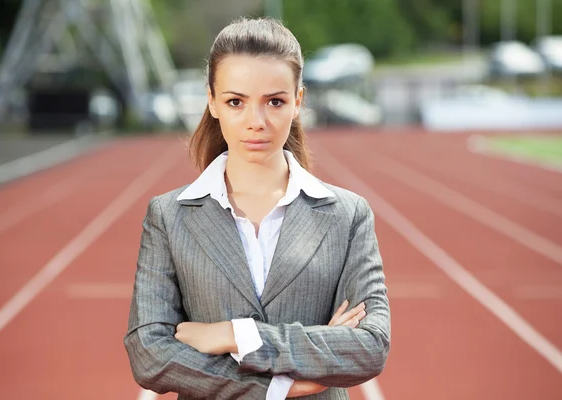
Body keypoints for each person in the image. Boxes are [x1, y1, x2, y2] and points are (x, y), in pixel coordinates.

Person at [124, 16, 390, 399]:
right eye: (236, 102)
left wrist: (237, 335)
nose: (256, 122)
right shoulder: (168, 216)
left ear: (298, 101)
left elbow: (369, 347)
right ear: (212, 102)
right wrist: (280, 387)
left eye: (275, 101)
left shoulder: (348, 215)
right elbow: (149, 354)